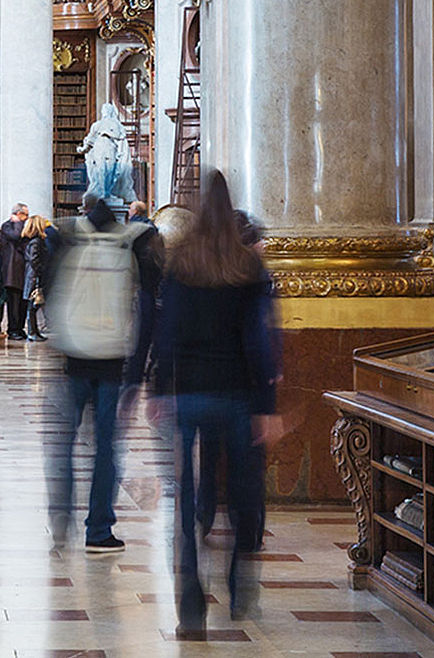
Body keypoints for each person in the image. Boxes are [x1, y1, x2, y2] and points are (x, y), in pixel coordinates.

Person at [150, 170, 282, 630]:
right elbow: (260, 340)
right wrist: (267, 404)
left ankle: (190, 596)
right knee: (244, 491)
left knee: (187, 499)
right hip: (237, 393)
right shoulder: (249, 268)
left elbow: (167, 333)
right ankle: (239, 574)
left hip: (189, 392)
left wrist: (157, 389)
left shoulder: (182, 263)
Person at [47, 193, 163, 554]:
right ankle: (98, 528)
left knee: (63, 447)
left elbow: (51, 291)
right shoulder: (133, 242)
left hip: (72, 357)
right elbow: (147, 306)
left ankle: (60, 518)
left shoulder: (65, 236)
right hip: (113, 360)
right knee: (106, 450)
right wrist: (139, 369)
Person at [0, 204, 31, 340]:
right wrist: (17, 223)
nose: (26, 218)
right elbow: (16, 236)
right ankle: (13, 329)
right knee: (14, 303)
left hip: (23, 269)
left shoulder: (25, 226)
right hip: (12, 270)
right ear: (17, 214)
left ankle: (20, 328)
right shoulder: (7, 226)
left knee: (23, 303)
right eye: (24, 215)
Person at [21, 214, 54, 341]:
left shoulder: (34, 241)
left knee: (33, 305)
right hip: (35, 277)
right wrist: (41, 272)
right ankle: (32, 332)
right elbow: (34, 260)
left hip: (33, 275)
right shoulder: (36, 242)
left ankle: (34, 331)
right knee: (32, 305)